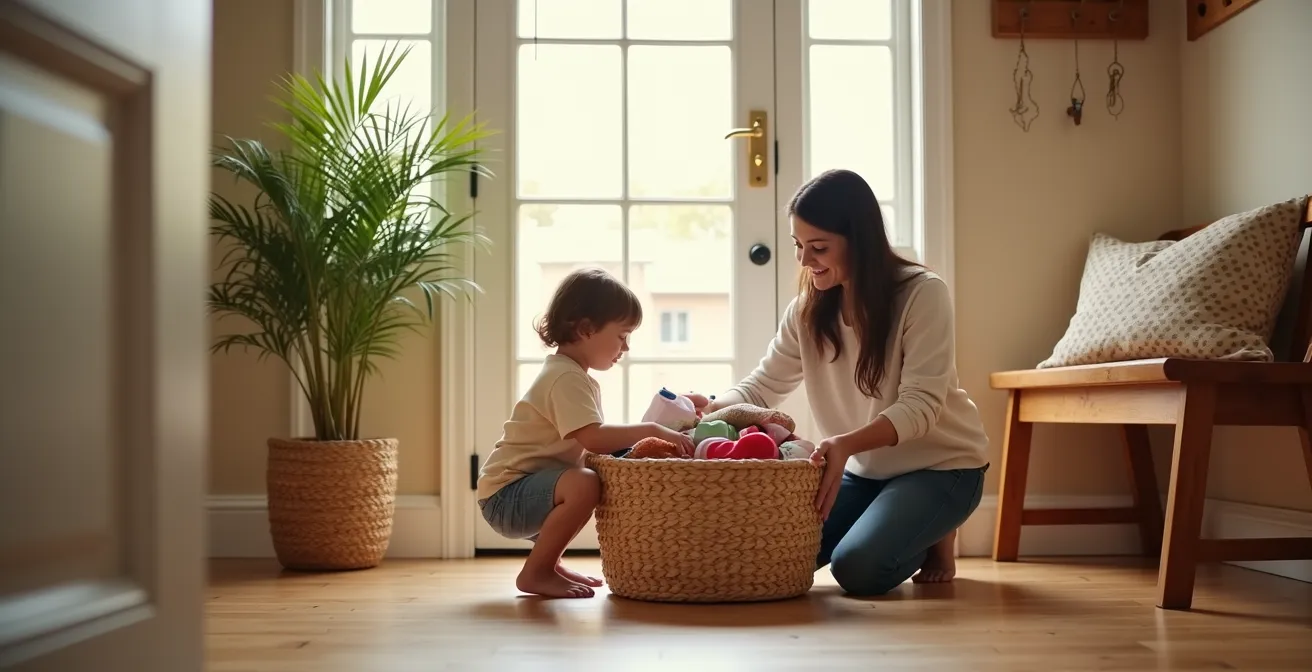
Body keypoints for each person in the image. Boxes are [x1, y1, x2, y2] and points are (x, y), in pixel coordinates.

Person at [691, 169, 990, 596]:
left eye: (818, 247)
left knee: (859, 571)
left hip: (942, 466)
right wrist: (711, 408)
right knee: (778, 554)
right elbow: (761, 386)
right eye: (798, 245)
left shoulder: (922, 295)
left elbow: (922, 405)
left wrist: (846, 444)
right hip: (867, 471)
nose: (803, 259)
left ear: (860, 241)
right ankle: (907, 520)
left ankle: (935, 534)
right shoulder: (807, 311)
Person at [477, 267, 695, 599]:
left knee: (585, 477)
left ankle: (548, 562)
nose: (626, 348)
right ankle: (536, 572)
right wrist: (651, 429)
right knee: (584, 482)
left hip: (524, 491)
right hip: (505, 497)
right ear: (586, 329)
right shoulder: (565, 378)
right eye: (622, 336)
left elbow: (595, 442)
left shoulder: (572, 376)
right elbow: (594, 438)